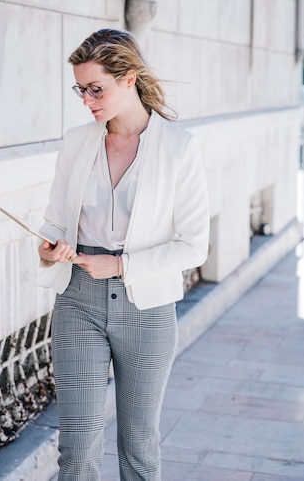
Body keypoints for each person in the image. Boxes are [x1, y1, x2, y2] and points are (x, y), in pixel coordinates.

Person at [37, 28, 209, 480]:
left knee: (139, 447)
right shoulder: (77, 141)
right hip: (78, 302)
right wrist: (49, 245)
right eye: (81, 89)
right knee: (76, 451)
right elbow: (55, 219)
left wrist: (120, 265)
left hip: (147, 308)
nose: (87, 100)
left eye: (97, 89)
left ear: (129, 78)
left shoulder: (178, 147)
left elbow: (194, 244)